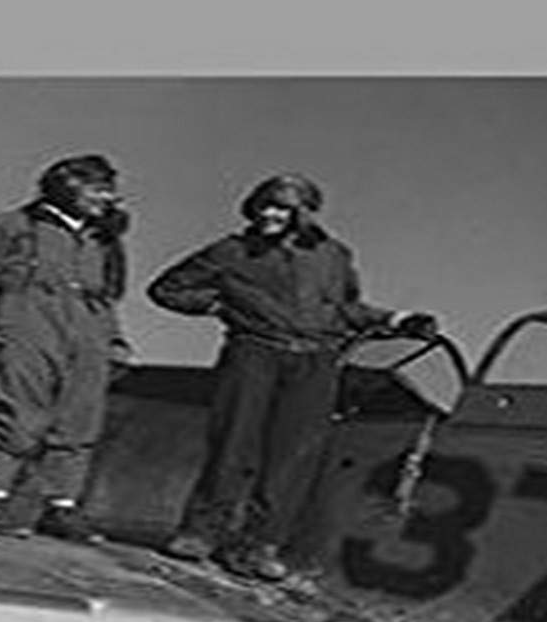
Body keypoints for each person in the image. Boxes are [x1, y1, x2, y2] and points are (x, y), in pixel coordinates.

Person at [146, 172, 439, 581]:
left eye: (280, 208)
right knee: (233, 443)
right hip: (254, 353)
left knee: (292, 458)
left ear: (302, 213)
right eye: (263, 206)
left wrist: (399, 319)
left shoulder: (334, 255)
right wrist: (221, 307)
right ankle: (201, 532)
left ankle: (258, 545)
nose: (269, 215)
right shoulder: (231, 251)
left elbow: (346, 309)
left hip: (315, 362)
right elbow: (167, 289)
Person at [0, 153, 133, 542]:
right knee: (18, 417)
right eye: (98, 189)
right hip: (27, 325)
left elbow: (105, 296)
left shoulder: (103, 241)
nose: (109, 199)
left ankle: (62, 507)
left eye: (110, 190)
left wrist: (115, 342)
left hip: (88, 334)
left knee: (79, 423)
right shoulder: (6, 227)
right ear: (67, 186)